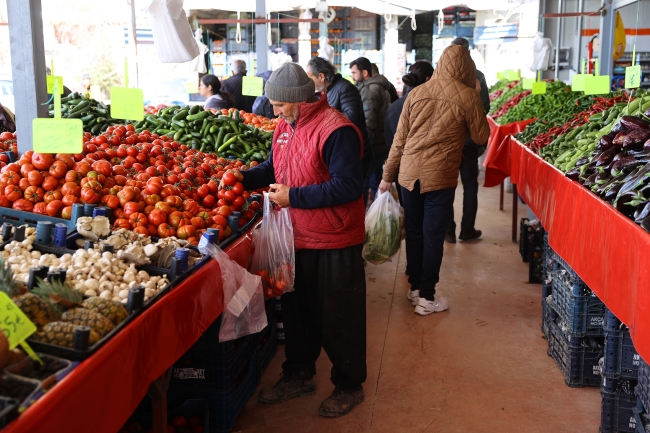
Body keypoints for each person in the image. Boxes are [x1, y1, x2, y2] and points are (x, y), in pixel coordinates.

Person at [230, 63, 367, 418]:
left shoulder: (337, 130)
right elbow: (275, 167)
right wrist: (241, 178)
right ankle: (299, 374)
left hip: (334, 238)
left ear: (297, 100)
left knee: (339, 318)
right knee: (297, 313)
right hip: (296, 236)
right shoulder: (285, 127)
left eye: (278, 104)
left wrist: (295, 197)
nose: (273, 111)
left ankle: (349, 385)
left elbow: (349, 185)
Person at [378, 45, 489, 316]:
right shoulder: (467, 96)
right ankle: (427, 297)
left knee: (415, 233)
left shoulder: (416, 94)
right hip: (440, 179)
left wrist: (386, 177)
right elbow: (481, 136)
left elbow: (398, 141)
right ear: (466, 69)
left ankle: (415, 288)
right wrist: (475, 95)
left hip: (408, 177)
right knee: (433, 236)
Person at [446, 37, 491, 243]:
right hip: (470, 142)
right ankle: (467, 229)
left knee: (446, 185)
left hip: (448, 141)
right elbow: (485, 109)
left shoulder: (444, 77)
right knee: (470, 185)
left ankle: (448, 231)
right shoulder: (477, 76)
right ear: (469, 53)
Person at [306, 57, 370, 176]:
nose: (309, 83)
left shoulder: (345, 88)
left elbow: (352, 117)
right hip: (340, 149)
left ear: (321, 76)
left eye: (310, 78)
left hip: (353, 150)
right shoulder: (326, 91)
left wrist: (322, 123)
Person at [384, 61, 434, 207]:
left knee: (412, 222)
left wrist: (388, 175)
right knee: (435, 221)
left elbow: (392, 145)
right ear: (428, 79)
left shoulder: (395, 107)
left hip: (406, 174)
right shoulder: (440, 105)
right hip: (435, 171)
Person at [350, 57, 391, 204]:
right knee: (375, 180)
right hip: (380, 144)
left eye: (354, 73)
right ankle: (378, 214)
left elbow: (369, 122)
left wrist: (361, 147)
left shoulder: (370, 90)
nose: (353, 76)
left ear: (365, 72)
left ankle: (363, 215)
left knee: (365, 180)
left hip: (373, 147)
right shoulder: (378, 86)